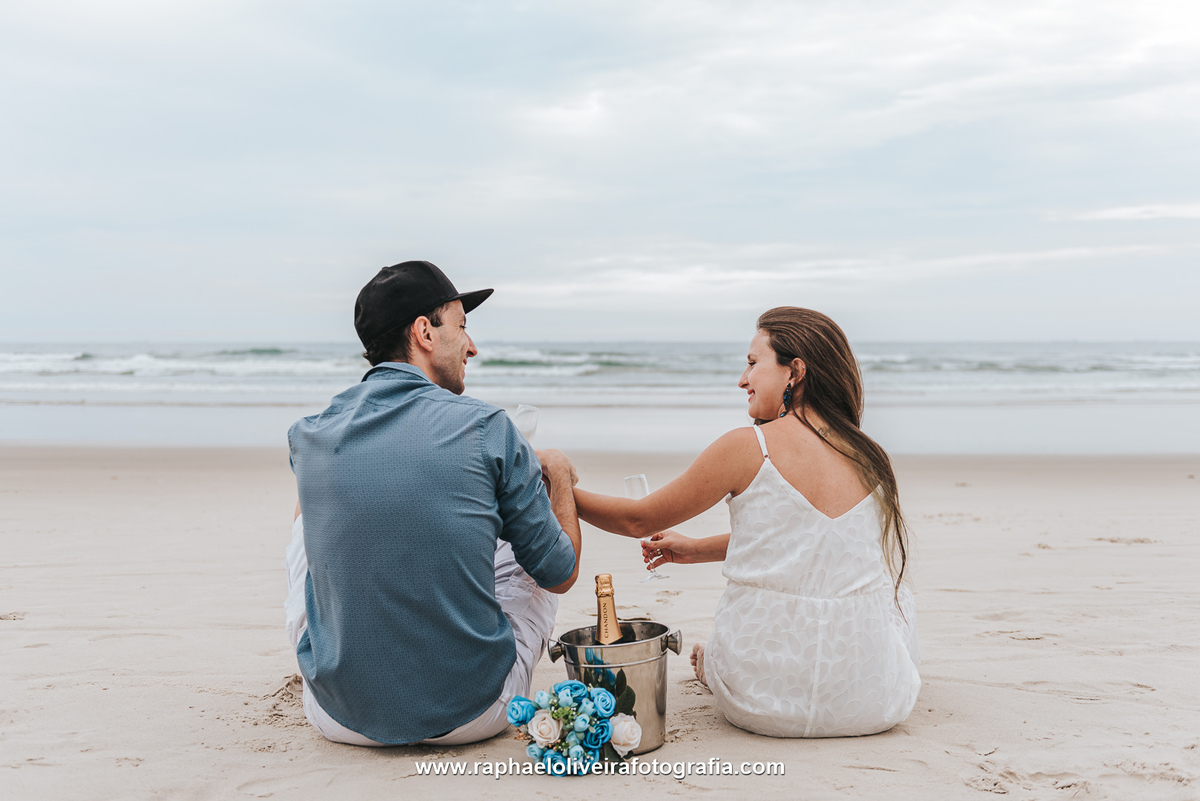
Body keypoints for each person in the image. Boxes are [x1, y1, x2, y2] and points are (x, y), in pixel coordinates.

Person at [573, 307, 920, 738]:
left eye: (754, 363)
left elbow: (637, 518)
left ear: (795, 372)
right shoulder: (870, 457)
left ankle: (715, 662)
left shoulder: (749, 446)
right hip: (870, 702)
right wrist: (696, 549)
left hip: (759, 701)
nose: (742, 379)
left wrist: (557, 489)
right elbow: (810, 539)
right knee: (892, 587)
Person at [284, 260, 583, 746]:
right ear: (425, 331)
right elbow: (561, 573)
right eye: (462, 326)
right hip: (471, 712)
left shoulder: (308, 434)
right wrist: (557, 475)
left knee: (306, 519)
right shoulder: (486, 426)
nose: (472, 345)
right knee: (527, 548)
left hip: (337, 714)